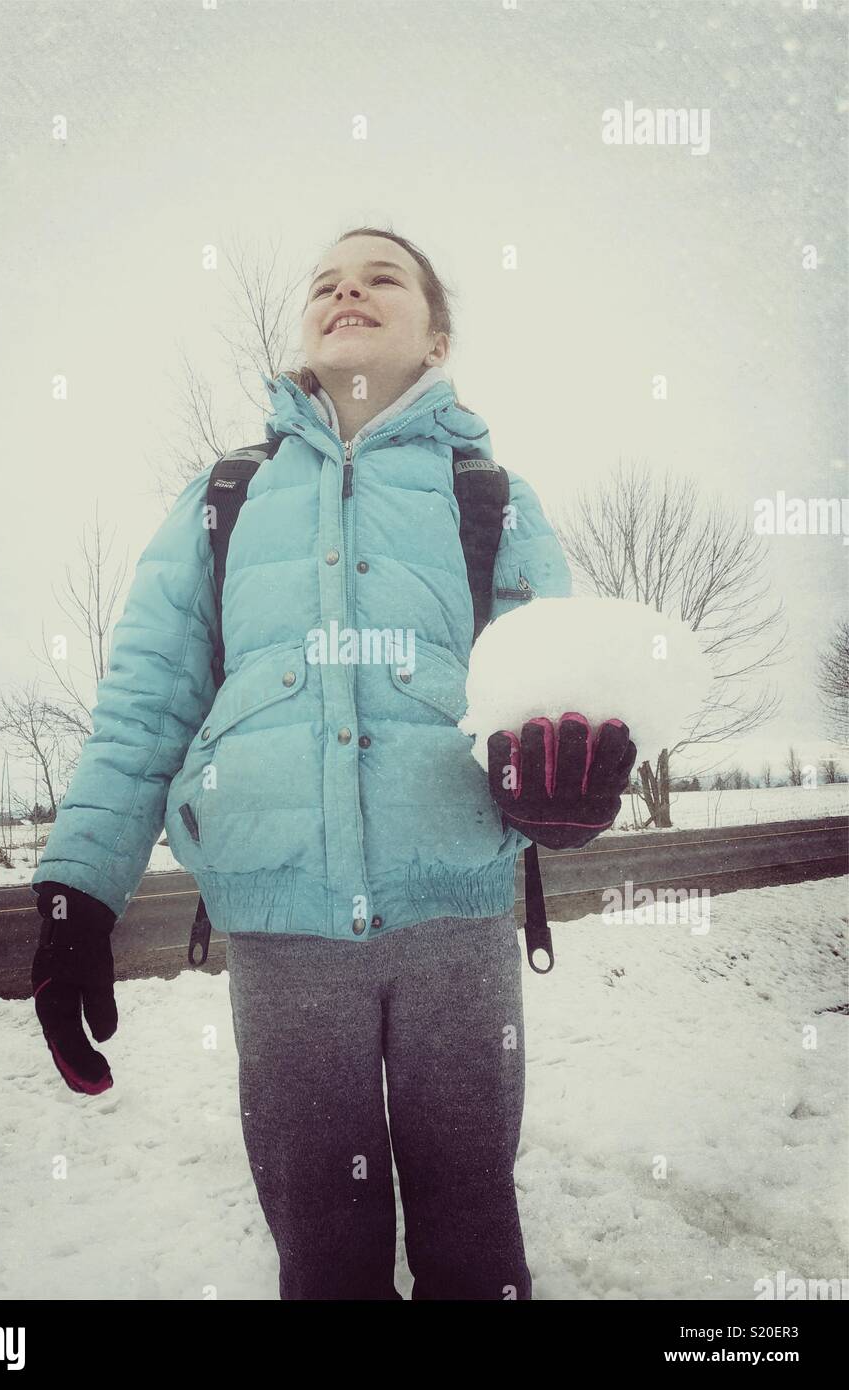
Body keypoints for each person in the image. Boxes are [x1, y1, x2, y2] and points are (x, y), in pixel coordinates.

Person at [31, 226, 634, 1300]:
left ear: (435, 333)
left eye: (381, 276)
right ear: (303, 331)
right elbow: (143, 706)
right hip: (282, 928)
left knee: (473, 1228)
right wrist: (78, 893)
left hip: (457, 921)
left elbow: (550, 700)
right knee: (322, 1246)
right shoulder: (225, 496)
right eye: (326, 282)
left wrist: (564, 797)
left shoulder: (490, 493)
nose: (347, 289)